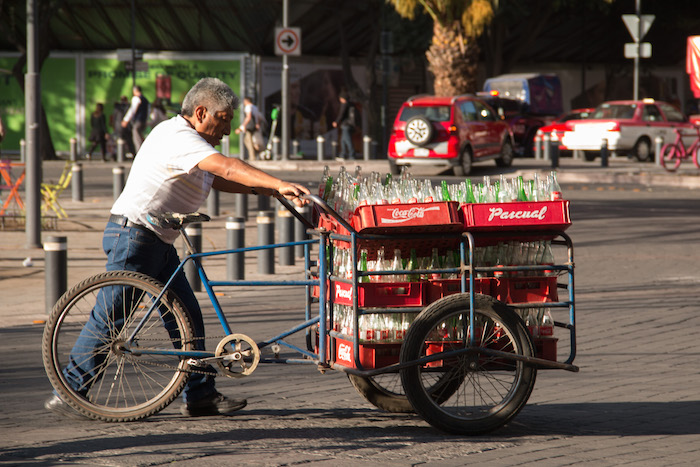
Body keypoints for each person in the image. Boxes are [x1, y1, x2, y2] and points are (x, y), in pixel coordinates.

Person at [44, 77, 310, 419]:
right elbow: (228, 167)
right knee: (111, 318)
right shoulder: (180, 137)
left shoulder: (190, 141)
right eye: (223, 119)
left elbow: (219, 178)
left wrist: (270, 190)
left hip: (157, 238)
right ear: (200, 112)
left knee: (186, 317)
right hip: (135, 237)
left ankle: (200, 395)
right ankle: (68, 391)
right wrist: (279, 182)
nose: (228, 130)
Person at [121, 85, 150, 154]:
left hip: (138, 120)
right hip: (143, 120)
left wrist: (126, 120)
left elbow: (132, 110)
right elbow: (148, 111)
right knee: (140, 136)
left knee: (136, 137)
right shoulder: (145, 100)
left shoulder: (136, 99)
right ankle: (144, 150)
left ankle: (140, 152)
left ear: (135, 91)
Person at [332, 92, 356, 160]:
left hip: (346, 125)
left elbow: (341, 114)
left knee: (347, 140)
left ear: (343, 98)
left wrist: (336, 122)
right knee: (343, 140)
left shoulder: (345, 105)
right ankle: (343, 154)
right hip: (348, 125)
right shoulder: (350, 105)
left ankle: (351, 155)